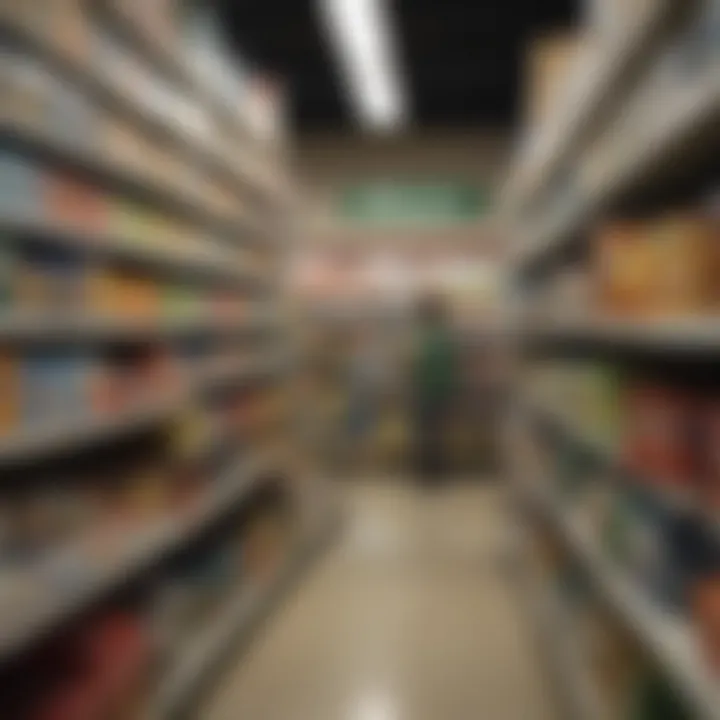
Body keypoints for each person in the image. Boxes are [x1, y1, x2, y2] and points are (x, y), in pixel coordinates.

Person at [412, 294, 457, 484]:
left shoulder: (426, 338)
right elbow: (452, 367)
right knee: (437, 433)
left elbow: (419, 366)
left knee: (427, 433)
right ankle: (436, 470)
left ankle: (428, 471)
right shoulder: (445, 337)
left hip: (427, 392)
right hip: (441, 393)